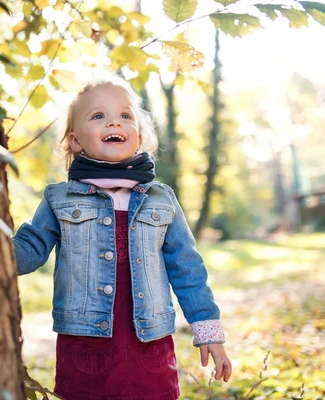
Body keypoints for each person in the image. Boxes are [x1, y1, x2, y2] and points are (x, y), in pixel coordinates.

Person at [12, 73, 232, 399]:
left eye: (125, 116)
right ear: (74, 140)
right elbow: (31, 248)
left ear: (139, 135)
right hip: (86, 348)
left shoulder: (161, 198)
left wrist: (207, 330)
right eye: (98, 116)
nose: (114, 122)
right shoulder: (60, 198)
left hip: (151, 348)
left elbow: (187, 267)